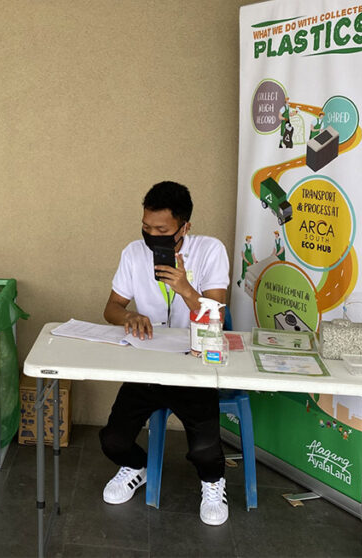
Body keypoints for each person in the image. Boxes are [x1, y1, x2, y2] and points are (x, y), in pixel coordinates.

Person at [98, 181, 231, 526]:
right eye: (146, 227)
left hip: (193, 364)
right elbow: (111, 308)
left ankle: (213, 482)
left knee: (204, 449)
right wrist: (128, 316)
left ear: (184, 227)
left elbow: (216, 315)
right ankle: (136, 466)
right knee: (112, 440)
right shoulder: (133, 253)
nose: (151, 236)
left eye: (162, 230)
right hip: (147, 363)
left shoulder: (210, 250)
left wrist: (185, 288)